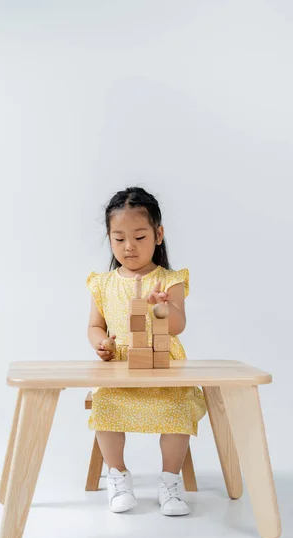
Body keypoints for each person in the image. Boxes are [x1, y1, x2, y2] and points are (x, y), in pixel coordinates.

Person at [86, 187, 206, 516]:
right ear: (109, 238)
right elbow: (95, 326)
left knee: (177, 408)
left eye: (139, 237)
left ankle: (169, 481)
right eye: (119, 237)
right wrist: (101, 344)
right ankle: (117, 474)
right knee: (106, 406)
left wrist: (163, 309)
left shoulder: (170, 280)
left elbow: (178, 325)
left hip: (162, 363)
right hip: (120, 367)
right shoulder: (103, 283)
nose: (129, 246)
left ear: (158, 234)